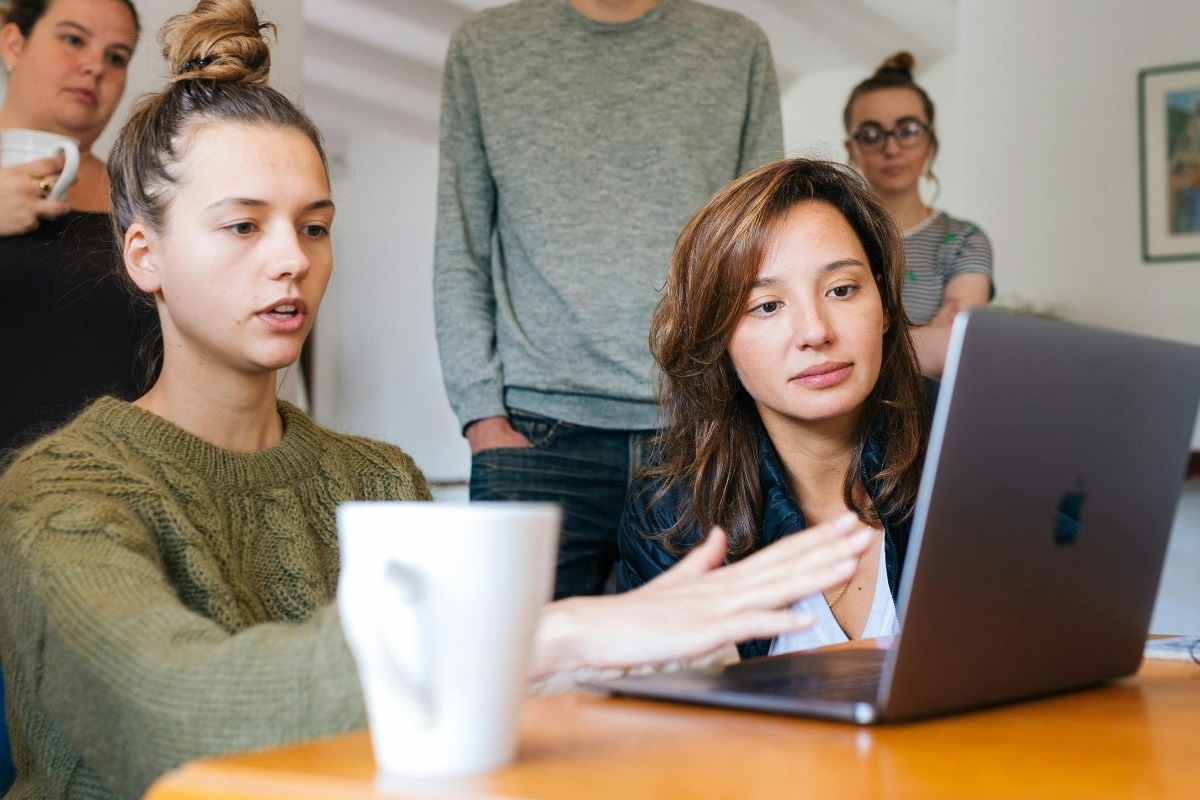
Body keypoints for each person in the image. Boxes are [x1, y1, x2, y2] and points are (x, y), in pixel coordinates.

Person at [0, 4, 870, 799]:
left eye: (314, 225)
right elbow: (176, 713)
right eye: (242, 225)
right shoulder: (58, 496)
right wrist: (552, 634)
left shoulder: (378, 478)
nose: (291, 261)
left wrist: (652, 667)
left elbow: (452, 743)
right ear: (144, 256)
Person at [434, 0, 784, 599]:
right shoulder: (485, 46)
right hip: (531, 434)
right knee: (518, 681)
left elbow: (765, 252)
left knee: (689, 680)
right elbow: (458, 242)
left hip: (697, 428)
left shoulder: (737, 47)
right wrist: (481, 416)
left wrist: (747, 410)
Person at [617, 158, 935, 660]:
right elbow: (659, 723)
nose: (815, 332)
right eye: (766, 305)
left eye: (841, 289)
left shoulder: (969, 446)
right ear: (717, 338)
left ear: (885, 306)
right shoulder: (671, 512)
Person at [0, 0, 154, 456]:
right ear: (13, 43)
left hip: (118, 484)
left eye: (116, 56)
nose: (94, 67)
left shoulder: (144, 204)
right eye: (73, 39)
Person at [842, 51, 993, 376]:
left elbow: (956, 348)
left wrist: (851, 353)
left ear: (930, 140)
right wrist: (925, 339)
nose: (892, 148)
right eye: (871, 134)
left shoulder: (965, 240)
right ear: (851, 149)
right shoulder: (832, 235)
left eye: (907, 130)